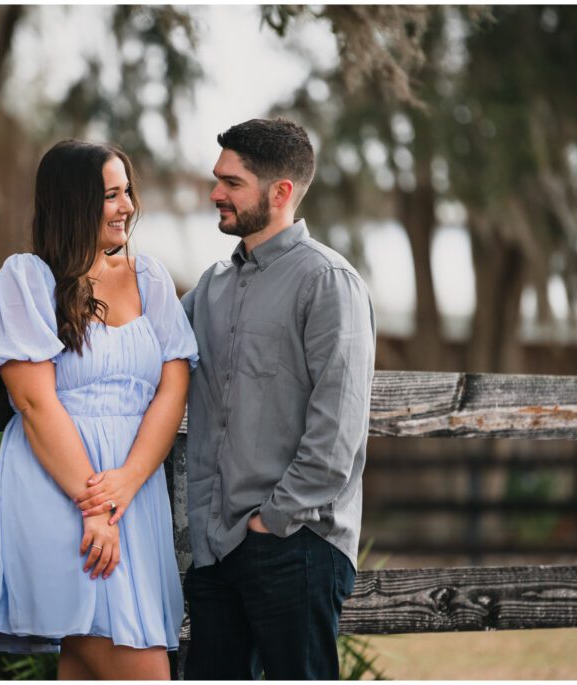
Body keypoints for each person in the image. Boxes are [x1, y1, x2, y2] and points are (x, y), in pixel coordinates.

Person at [0, 139, 198, 679]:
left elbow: (173, 388)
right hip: (63, 490)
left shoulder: (152, 281)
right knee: (139, 666)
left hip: (131, 494)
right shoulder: (28, 280)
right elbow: (34, 400)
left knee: (88, 662)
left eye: (127, 192)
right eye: (111, 196)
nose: (127, 207)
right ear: (73, 203)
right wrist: (96, 506)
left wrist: (127, 482)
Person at [180, 118, 377, 680]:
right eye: (217, 178)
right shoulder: (212, 286)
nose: (216, 193)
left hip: (294, 545)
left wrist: (272, 522)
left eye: (232, 182)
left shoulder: (327, 282)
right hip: (217, 550)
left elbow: (337, 431)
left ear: (281, 192)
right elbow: (144, 344)